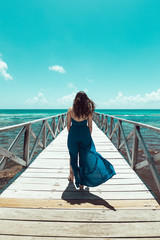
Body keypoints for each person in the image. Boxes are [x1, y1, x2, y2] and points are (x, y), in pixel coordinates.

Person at [67, 91, 116, 190]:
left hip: (73, 135)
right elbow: (90, 127)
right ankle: (82, 183)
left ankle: (71, 176)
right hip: (85, 135)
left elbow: (68, 126)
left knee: (73, 156)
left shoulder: (70, 110)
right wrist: (87, 137)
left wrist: (73, 135)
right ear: (86, 100)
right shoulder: (88, 111)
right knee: (84, 158)